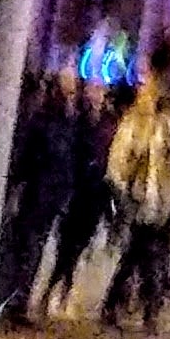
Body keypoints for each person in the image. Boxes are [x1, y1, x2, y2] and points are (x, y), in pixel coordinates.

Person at [98, 55, 170, 336]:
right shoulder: (138, 120)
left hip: (164, 201)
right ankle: (141, 310)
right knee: (146, 256)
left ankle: (128, 307)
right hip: (142, 199)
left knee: (144, 256)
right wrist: (125, 191)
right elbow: (122, 158)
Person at [0, 75, 77, 328]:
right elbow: (28, 159)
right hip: (36, 195)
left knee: (33, 250)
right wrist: (18, 189)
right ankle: (8, 300)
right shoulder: (43, 122)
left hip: (50, 197)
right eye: (68, 93)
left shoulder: (66, 123)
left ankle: (18, 300)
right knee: (24, 249)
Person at [43, 82, 117, 314]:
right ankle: (56, 292)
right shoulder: (80, 122)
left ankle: (60, 291)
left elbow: (109, 162)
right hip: (76, 193)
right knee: (66, 249)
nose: (97, 97)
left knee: (77, 249)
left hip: (94, 196)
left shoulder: (107, 123)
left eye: (101, 93)